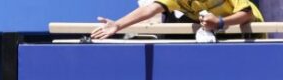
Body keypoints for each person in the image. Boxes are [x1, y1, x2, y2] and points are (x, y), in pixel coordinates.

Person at [92, 0, 263, 39]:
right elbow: (151, 8)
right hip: (220, 33)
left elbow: (247, 13)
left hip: (250, 33)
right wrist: (118, 24)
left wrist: (219, 22)